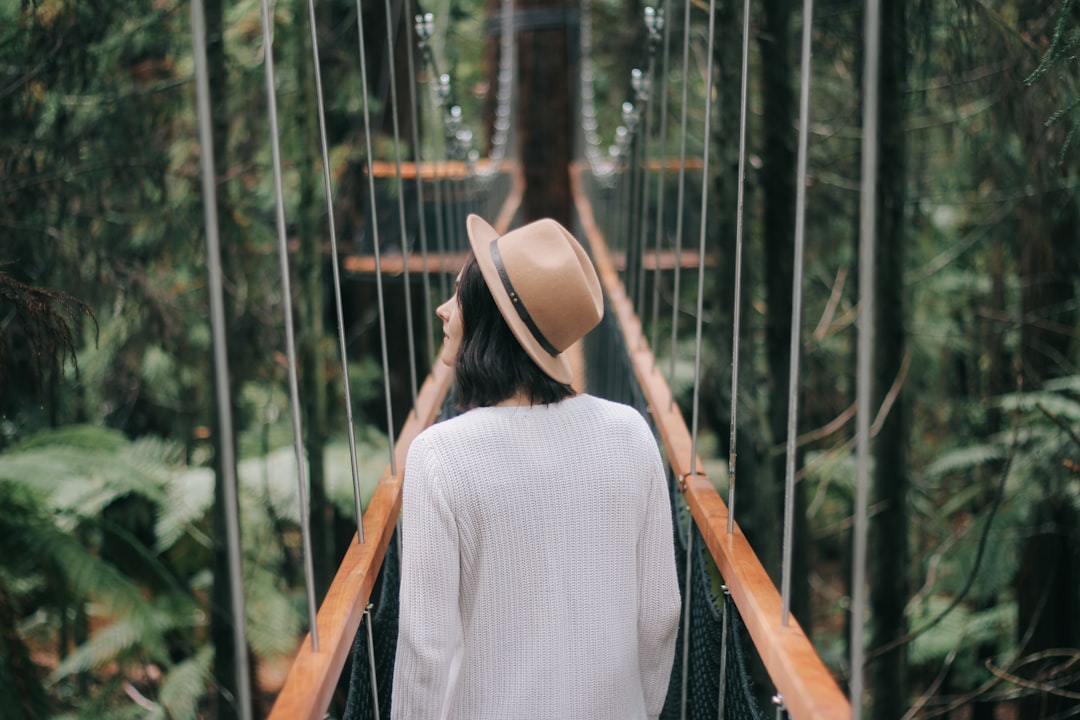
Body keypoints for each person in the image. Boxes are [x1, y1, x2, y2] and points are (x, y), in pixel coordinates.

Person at [391, 214, 681, 720]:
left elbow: (426, 649)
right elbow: (660, 615)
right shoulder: (630, 432)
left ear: (487, 319)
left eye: (457, 296)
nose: (442, 309)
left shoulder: (439, 455)